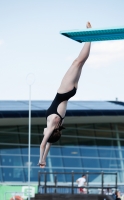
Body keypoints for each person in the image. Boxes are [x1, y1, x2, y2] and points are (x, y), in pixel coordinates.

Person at [38, 22, 91, 168]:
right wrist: (41, 159)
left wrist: (45, 158)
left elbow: (48, 144)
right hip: (63, 92)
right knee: (77, 62)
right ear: (50, 133)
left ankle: (90, 38)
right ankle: (90, 36)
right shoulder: (50, 126)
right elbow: (43, 145)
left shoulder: (56, 124)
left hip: (70, 92)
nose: (44, 135)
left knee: (80, 63)